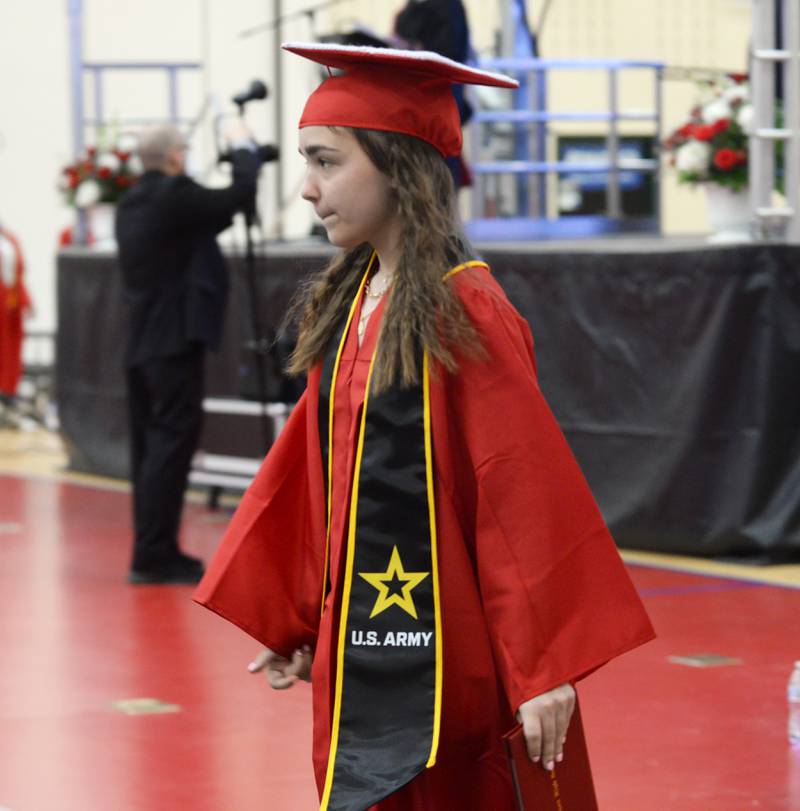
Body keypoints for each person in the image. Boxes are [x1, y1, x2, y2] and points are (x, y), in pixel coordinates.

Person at [195, 43, 655, 810]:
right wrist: (305, 615)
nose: (306, 189)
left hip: (454, 661)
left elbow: (520, 491)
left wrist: (544, 670)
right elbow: (312, 480)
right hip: (363, 642)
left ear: (399, 166)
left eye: (326, 161)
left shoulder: (463, 307)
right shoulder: (354, 302)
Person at [116, 122, 261, 585]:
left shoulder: (132, 203)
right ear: (175, 158)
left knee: (150, 449)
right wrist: (245, 155)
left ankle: (150, 548)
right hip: (171, 341)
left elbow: (206, 219)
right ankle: (155, 555)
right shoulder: (173, 197)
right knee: (170, 446)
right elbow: (232, 198)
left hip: (140, 342)